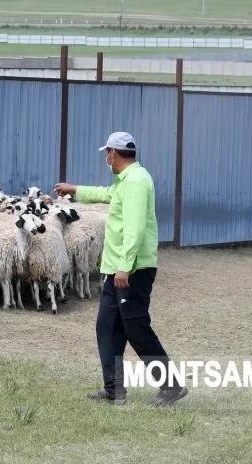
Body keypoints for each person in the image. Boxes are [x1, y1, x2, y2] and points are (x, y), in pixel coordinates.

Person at [54, 132, 186, 407]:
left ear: (113, 153)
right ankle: (113, 389)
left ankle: (171, 386)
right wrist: (74, 189)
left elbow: (136, 228)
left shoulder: (136, 181)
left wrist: (125, 267)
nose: (106, 158)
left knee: (136, 328)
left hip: (133, 270)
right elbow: (105, 194)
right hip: (116, 270)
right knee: (106, 327)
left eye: (107, 153)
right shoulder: (124, 181)